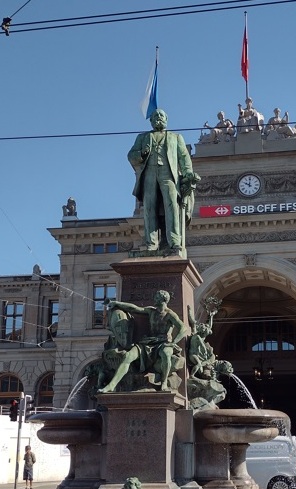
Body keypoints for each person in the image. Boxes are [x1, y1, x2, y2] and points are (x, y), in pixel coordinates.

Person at [128, 108, 199, 254]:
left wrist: (188, 174)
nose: (159, 118)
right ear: (151, 120)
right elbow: (131, 156)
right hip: (149, 175)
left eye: (161, 115)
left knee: (172, 205)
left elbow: (184, 158)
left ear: (166, 119)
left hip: (169, 175)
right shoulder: (142, 138)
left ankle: (174, 241)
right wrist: (142, 153)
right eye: (155, 116)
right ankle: (151, 243)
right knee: (149, 207)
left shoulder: (175, 137)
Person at [97, 290, 189, 393]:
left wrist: (173, 342)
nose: (154, 299)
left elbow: (183, 328)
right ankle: (111, 386)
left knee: (166, 354)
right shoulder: (151, 311)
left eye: (157, 297)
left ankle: (164, 383)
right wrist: (117, 303)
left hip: (163, 343)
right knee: (128, 356)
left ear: (163, 300)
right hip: (148, 343)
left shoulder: (170, 314)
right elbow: (134, 308)